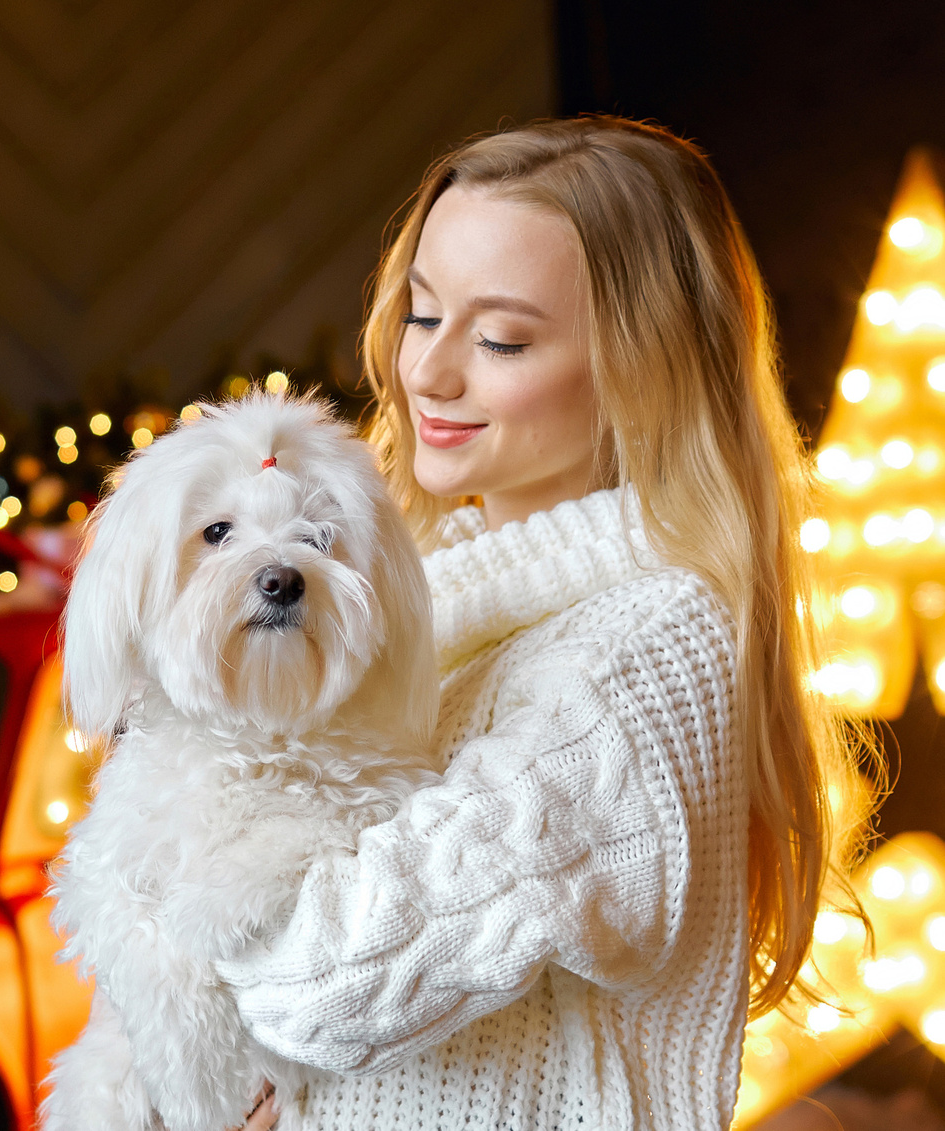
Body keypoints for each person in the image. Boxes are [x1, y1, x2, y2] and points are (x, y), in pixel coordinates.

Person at [220, 116, 874, 1131]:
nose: (428, 375)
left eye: (502, 339)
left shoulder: (641, 656)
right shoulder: (437, 604)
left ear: (640, 366)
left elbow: (318, 979)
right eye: (423, 315)